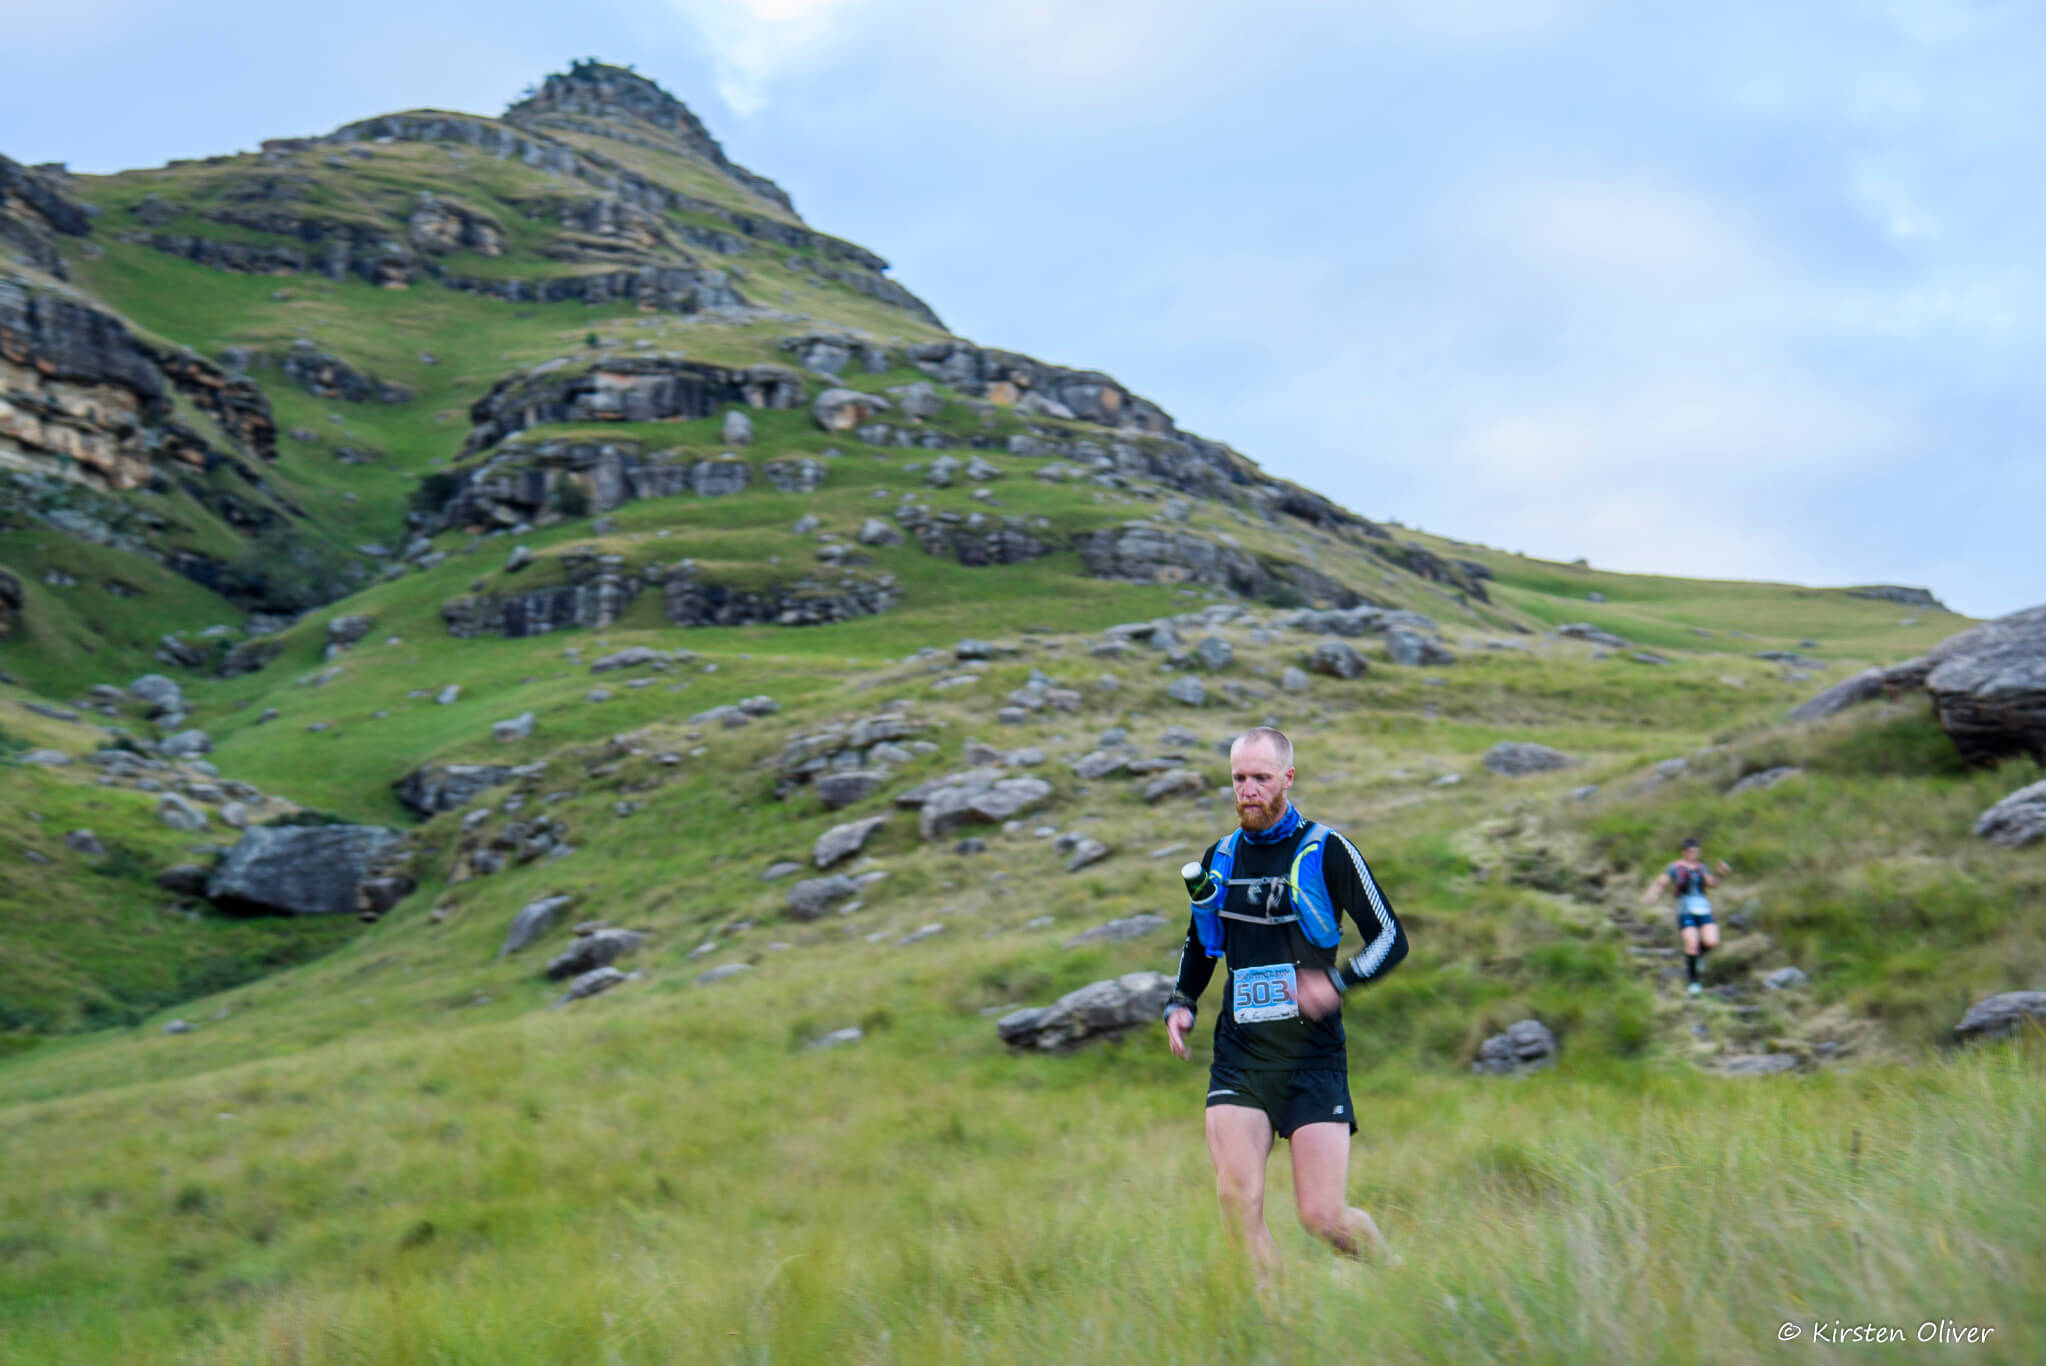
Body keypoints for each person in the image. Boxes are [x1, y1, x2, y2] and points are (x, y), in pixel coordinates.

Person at [1162, 726, 1408, 1278]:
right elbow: (1202, 943)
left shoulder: (1329, 851)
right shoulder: (1219, 858)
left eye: (1260, 778)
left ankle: (1395, 1275)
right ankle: (1278, 1328)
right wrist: (1183, 1001)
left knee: (1323, 1218)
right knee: (1236, 1202)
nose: (1247, 789)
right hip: (1240, 1056)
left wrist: (1338, 983)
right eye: (1238, 779)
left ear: (1288, 779)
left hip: (1312, 1058)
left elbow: (1392, 937)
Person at [1641, 837, 1730, 996]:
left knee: (1711, 941)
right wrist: (1652, 894)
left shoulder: (1702, 868)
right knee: (1691, 943)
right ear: (1683, 852)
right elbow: (1661, 882)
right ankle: (1693, 981)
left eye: (1695, 852)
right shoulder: (1675, 867)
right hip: (1685, 909)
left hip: (1703, 908)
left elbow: (1712, 884)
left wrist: (1720, 873)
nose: (1693, 854)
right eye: (1690, 852)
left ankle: (1699, 957)